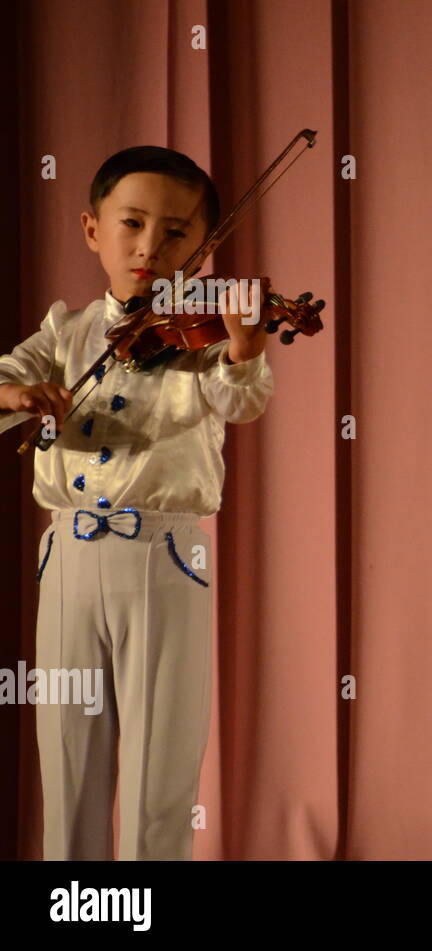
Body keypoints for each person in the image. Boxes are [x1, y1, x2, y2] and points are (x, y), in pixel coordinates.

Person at [0, 146, 273, 859]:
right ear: (93, 230)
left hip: (165, 555)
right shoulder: (67, 331)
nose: (152, 246)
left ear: (205, 246)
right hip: (66, 558)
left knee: (161, 764)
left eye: (178, 232)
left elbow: (239, 398)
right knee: (65, 756)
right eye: (132, 224)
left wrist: (245, 347)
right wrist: (18, 394)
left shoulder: (202, 337)